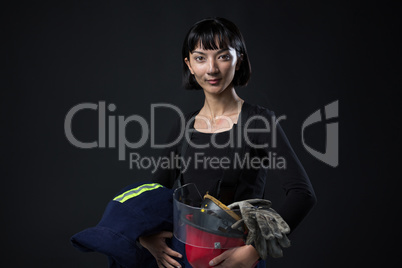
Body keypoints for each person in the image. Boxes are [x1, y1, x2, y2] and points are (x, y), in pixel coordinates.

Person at [139, 17, 317, 268]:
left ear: (239, 59)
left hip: (237, 258)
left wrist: (254, 251)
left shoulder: (258, 121)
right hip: (185, 257)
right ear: (189, 65)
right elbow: (153, 194)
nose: (211, 69)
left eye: (222, 56)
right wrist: (147, 237)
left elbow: (303, 194)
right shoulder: (185, 126)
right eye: (200, 58)